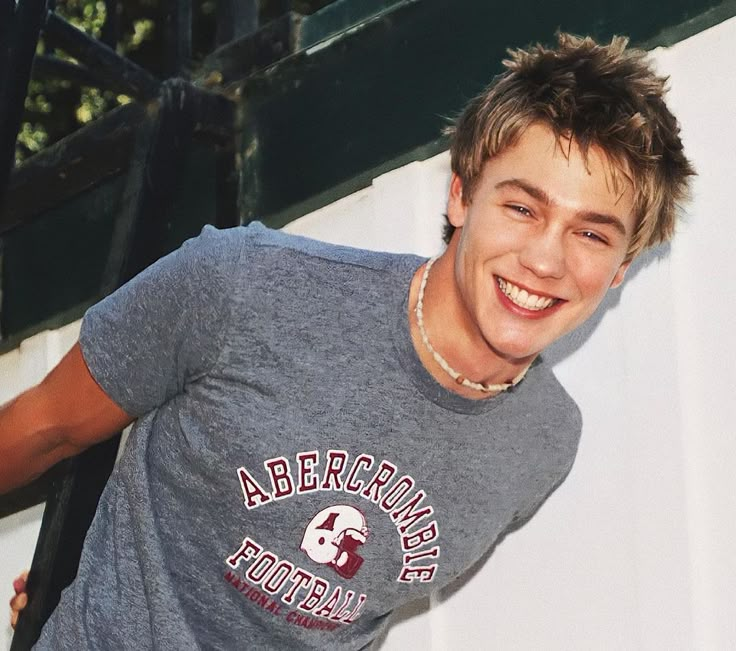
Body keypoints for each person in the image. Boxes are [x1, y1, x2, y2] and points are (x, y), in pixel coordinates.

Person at [3, 32, 693, 649]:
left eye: (592, 233)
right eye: (521, 207)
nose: (545, 260)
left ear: (621, 269)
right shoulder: (242, 287)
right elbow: (42, 428)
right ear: (460, 196)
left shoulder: (544, 443)